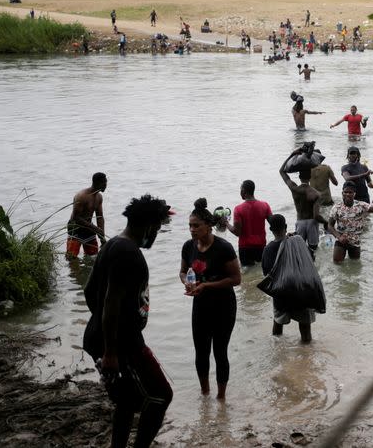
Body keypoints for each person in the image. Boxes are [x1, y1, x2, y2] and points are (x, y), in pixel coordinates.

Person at [82, 194, 173, 448]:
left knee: (128, 400)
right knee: (161, 395)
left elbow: (89, 291)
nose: (155, 234)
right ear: (147, 225)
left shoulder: (113, 244)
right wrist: (111, 350)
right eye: (156, 227)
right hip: (122, 345)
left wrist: (100, 324)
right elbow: (111, 302)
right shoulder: (128, 253)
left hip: (104, 337)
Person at [180, 198, 242, 400]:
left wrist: (206, 285)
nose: (192, 229)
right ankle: (205, 392)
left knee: (220, 352)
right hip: (200, 306)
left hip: (223, 306)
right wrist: (187, 283)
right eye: (190, 225)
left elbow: (236, 279)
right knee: (201, 352)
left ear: (209, 226)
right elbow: (182, 272)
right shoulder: (188, 247)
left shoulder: (223, 248)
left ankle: (221, 397)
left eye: (196, 226)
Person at [261, 214, 316, 342]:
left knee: (278, 325)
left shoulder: (268, 249)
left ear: (270, 230)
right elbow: (311, 261)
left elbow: (267, 274)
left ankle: (278, 351)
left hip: (281, 295)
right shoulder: (297, 243)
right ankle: (307, 356)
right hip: (301, 292)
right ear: (286, 227)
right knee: (305, 329)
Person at [279, 150, 327, 257]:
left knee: (300, 251)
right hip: (312, 223)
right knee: (313, 250)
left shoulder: (294, 188)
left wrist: (292, 154)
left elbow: (282, 172)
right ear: (310, 177)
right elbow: (316, 216)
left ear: (299, 177)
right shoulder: (316, 194)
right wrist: (326, 222)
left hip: (300, 222)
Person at [328, 181, 373, 262]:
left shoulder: (361, 205)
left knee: (355, 265)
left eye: (350, 192)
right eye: (345, 192)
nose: (348, 194)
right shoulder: (336, 207)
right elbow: (330, 225)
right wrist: (339, 237)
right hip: (341, 240)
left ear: (354, 194)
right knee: (337, 264)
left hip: (355, 240)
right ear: (342, 193)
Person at [223, 180, 273, 267]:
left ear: (243, 191)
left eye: (240, 190)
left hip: (245, 248)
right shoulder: (265, 205)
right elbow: (274, 223)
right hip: (261, 246)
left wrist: (226, 223)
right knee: (260, 270)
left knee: (247, 272)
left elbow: (237, 232)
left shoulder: (238, 209)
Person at [67, 172, 107, 258]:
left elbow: (100, 217)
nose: (106, 185)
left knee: (93, 257)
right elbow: (76, 218)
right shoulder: (81, 196)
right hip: (75, 228)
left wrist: (102, 237)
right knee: (71, 258)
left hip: (88, 229)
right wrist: (94, 228)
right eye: (104, 182)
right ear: (98, 183)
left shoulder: (99, 197)